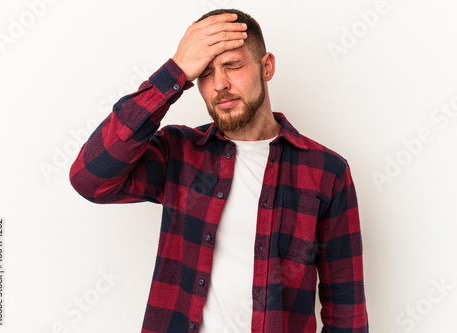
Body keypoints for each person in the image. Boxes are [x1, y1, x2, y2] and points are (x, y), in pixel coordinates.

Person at [70, 8, 369, 333]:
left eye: (233, 66)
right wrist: (174, 73)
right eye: (205, 73)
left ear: (266, 67)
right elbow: (90, 177)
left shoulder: (327, 172)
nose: (219, 84)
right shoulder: (179, 152)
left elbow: (346, 312)